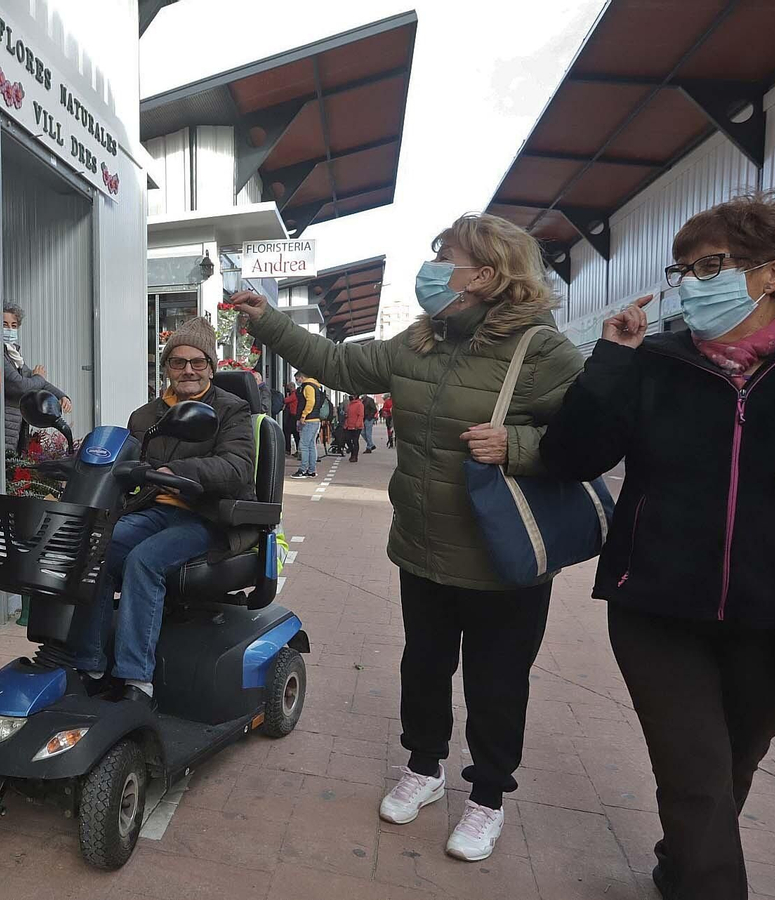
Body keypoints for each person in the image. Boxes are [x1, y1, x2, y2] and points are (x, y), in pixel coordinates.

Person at [539, 191, 775, 900]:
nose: (690, 282)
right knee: (695, 775)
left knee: (733, 767)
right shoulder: (654, 361)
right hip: (654, 603)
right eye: (684, 268)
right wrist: (610, 360)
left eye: (710, 265)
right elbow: (570, 458)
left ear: (772, 273)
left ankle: (680, 867)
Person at [231, 212, 584, 861]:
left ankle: (487, 799)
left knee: (496, 681)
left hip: (503, 560)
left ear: (484, 272)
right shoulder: (419, 342)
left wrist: (519, 445)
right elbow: (337, 361)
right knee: (423, 667)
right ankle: (424, 767)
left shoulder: (542, 352)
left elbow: (593, 436)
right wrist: (271, 322)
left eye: (442, 256)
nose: (430, 267)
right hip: (422, 548)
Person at [70, 316, 256, 705]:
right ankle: (88, 666)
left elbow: (237, 467)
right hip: (153, 511)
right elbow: (127, 462)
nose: (187, 370)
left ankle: (137, 681)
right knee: (95, 544)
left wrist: (180, 471)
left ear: (211, 365)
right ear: (166, 367)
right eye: (178, 362)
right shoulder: (145, 416)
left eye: (197, 362)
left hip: (208, 516)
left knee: (144, 561)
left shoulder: (231, 411)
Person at [1, 301, 71, 455]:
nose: (10, 329)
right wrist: (38, 376)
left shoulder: (14, 355)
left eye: (14, 325)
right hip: (3, 427)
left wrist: (61, 396)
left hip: (15, 426)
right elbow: (21, 386)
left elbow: (37, 383)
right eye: (5, 325)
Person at [292, 375, 324, 477]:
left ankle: (303, 469)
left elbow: (310, 402)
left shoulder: (308, 387)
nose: (297, 381)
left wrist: (303, 415)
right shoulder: (315, 386)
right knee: (311, 445)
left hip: (309, 420)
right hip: (315, 419)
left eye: (297, 379)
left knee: (304, 445)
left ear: (301, 377)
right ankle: (311, 470)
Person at [342, 394, 365, 462]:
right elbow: (348, 414)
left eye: (352, 395)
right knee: (347, 439)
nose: (350, 396)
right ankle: (352, 451)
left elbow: (361, 415)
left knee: (355, 441)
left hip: (357, 426)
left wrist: (357, 425)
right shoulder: (350, 404)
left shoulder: (359, 404)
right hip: (349, 425)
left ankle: (354, 456)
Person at [282, 381, 299, 455]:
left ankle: (288, 449)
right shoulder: (295, 393)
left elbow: (286, 400)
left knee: (287, 431)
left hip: (293, 416)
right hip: (294, 415)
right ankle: (297, 449)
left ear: (292, 387)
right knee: (295, 433)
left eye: (288, 388)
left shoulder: (294, 394)